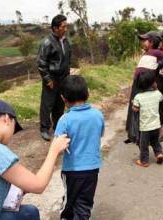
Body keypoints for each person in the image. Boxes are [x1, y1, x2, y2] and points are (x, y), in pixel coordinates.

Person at [54, 75, 104, 220]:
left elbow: (58, 146)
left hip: (73, 170)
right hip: (93, 169)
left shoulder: (65, 119)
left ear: (63, 98)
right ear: (87, 93)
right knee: (85, 203)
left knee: (69, 202)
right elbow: (99, 134)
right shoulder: (97, 115)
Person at [125, 31, 163, 145]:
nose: (142, 42)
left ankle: (146, 136)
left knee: (143, 108)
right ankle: (133, 133)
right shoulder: (146, 53)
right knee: (134, 106)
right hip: (137, 83)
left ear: (152, 42)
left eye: (144, 40)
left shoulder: (157, 53)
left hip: (145, 83)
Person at [37, 14, 72, 141]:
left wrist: (68, 74)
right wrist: (47, 79)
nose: (66, 29)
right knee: (47, 104)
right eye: (63, 26)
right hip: (51, 79)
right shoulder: (47, 43)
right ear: (55, 28)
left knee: (60, 104)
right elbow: (41, 63)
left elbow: (68, 59)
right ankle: (44, 128)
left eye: (66, 26)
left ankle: (58, 126)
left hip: (63, 78)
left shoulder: (66, 41)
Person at [132, 71, 163, 167]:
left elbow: (135, 109)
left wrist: (133, 104)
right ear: (153, 83)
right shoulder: (157, 94)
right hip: (156, 125)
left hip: (145, 127)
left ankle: (144, 161)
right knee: (155, 142)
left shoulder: (138, 97)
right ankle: (159, 154)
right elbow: (161, 98)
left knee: (144, 145)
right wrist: (156, 89)